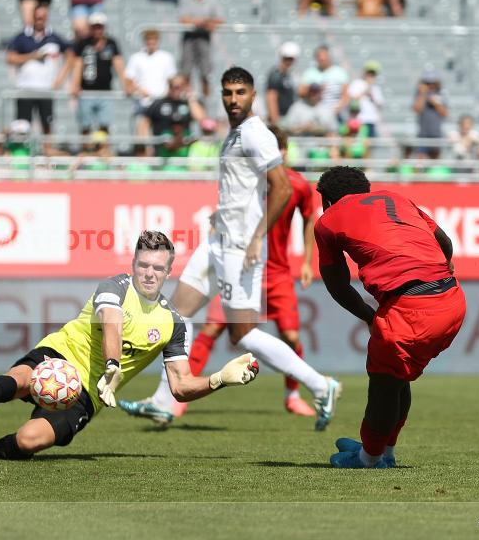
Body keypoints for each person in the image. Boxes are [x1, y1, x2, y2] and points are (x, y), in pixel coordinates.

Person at [0, 231, 260, 461]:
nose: (149, 274)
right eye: (143, 265)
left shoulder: (173, 323)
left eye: (158, 268)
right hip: (60, 355)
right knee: (16, 382)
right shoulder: (115, 286)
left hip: (88, 392)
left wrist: (218, 380)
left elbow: (180, 387)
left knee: (29, 441)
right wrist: (113, 366)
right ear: (133, 264)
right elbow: (112, 325)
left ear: (169, 272)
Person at [119, 67, 341, 431]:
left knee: (243, 334)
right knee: (175, 313)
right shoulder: (235, 133)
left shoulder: (256, 134)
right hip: (219, 241)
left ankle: (321, 385)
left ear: (253, 96)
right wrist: (222, 214)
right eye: (227, 92)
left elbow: (281, 189)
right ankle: (164, 400)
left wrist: (256, 237)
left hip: (241, 247)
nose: (233, 99)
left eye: (240, 92)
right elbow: (243, 189)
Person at [145, 125, 320, 421]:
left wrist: (306, 261)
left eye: (279, 148)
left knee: (290, 335)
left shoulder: (296, 186)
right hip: (238, 267)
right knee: (211, 329)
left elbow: (309, 219)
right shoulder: (248, 181)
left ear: (285, 152)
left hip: (276, 272)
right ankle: (180, 394)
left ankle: (294, 393)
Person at [314, 166, 465, 468]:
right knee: (396, 377)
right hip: (452, 298)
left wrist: (370, 316)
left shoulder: (327, 221)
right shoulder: (397, 199)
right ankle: (384, 450)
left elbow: (338, 285)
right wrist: (442, 273)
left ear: (328, 200)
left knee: (384, 383)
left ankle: (369, 457)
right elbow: (445, 242)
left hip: (412, 308)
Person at [6, 5, 70, 146]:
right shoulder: (22, 37)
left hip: (45, 90)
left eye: (43, 17)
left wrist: (59, 80)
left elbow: (71, 56)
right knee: (22, 126)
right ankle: (22, 155)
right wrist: (32, 56)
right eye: (37, 17)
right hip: (25, 89)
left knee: (47, 126)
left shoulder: (54, 37)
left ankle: (48, 158)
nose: (40, 20)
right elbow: (10, 58)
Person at [70, 12, 127, 140]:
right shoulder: (83, 43)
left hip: (105, 91)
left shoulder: (111, 43)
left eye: (100, 27)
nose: (97, 30)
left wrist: (126, 84)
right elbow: (78, 65)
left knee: (104, 124)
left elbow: (118, 64)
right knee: (85, 125)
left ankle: (103, 151)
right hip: (86, 91)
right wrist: (75, 84)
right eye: (95, 27)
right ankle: (85, 150)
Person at [177, 0, 223, 98]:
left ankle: (206, 102)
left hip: (204, 38)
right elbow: (183, 19)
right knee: (186, 71)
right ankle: (187, 101)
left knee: (205, 73)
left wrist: (203, 22)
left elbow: (219, 20)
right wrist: (204, 22)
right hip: (189, 38)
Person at [125, 29, 178, 138]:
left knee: (162, 134)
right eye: (149, 40)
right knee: (142, 132)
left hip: (161, 102)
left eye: (153, 40)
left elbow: (172, 79)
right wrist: (140, 90)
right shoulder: (136, 58)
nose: (151, 43)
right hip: (143, 103)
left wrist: (169, 93)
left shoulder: (166, 57)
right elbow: (129, 80)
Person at [144, 74, 206, 158]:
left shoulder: (188, 103)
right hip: (161, 154)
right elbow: (144, 123)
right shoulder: (159, 103)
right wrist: (147, 146)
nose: (176, 89)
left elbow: (201, 119)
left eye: (180, 86)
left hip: (184, 154)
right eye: (173, 86)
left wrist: (190, 97)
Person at [298, 45, 349, 118]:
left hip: (336, 115)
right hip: (313, 115)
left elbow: (346, 96)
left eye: (324, 56)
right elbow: (300, 92)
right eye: (319, 56)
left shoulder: (340, 73)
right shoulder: (309, 73)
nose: (322, 58)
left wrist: (335, 110)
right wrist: (315, 88)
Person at [412, 71, 448, 158]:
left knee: (436, 160)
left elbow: (445, 113)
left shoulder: (441, 94)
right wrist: (423, 94)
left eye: (432, 83)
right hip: (423, 134)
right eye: (427, 83)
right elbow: (417, 109)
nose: (430, 85)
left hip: (436, 134)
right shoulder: (419, 95)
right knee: (421, 161)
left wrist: (436, 104)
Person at [265, 41, 300, 125]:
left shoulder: (290, 75)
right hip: (280, 117)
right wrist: (276, 122)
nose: (289, 62)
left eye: (291, 59)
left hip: (290, 117)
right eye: (286, 58)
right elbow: (271, 97)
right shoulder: (276, 74)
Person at [347, 60, 384, 137]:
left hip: (372, 121)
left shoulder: (376, 88)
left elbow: (380, 105)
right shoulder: (357, 83)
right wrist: (365, 92)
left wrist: (372, 95)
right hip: (359, 121)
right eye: (369, 73)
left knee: (371, 145)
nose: (371, 76)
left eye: (373, 74)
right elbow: (351, 99)